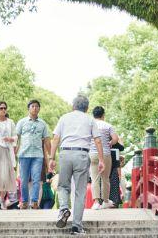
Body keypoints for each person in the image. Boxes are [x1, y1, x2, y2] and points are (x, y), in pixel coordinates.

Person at [48, 95, 105, 235]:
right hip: (82, 154)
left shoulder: (64, 117)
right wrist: (102, 160)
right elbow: (97, 141)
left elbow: (55, 138)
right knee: (80, 192)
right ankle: (76, 227)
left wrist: (51, 157)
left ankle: (63, 208)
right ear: (86, 108)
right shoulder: (90, 119)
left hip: (65, 153)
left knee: (63, 186)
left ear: (73, 106)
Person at [15, 99, 51, 209]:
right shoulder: (22, 122)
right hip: (24, 155)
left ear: (39, 109)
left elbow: (47, 140)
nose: (35, 108)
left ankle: (34, 202)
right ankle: (25, 201)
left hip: (37, 155)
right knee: (24, 180)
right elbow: (16, 138)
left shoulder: (43, 124)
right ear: (28, 108)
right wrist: (13, 153)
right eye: (32, 106)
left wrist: (51, 156)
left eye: (37, 106)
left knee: (36, 179)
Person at [88, 106, 119, 209]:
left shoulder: (90, 125)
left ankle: (96, 202)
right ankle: (105, 201)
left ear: (93, 115)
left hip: (92, 153)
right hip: (105, 153)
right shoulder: (108, 125)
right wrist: (110, 142)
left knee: (94, 178)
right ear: (103, 115)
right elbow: (115, 139)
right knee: (105, 178)